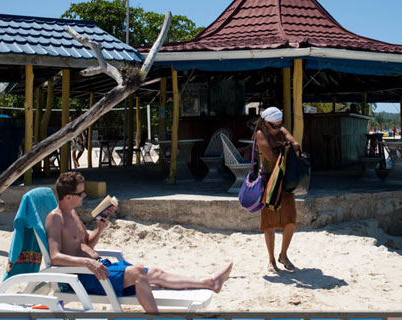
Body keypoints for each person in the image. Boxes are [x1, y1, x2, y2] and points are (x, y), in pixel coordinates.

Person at [45, 172, 233, 313]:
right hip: (85, 276)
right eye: (81, 193)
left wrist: (99, 230)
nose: (84, 196)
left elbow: (86, 246)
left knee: (154, 273)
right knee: (138, 273)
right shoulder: (55, 218)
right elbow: (55, 257)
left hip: (99, 267)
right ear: (68, 197)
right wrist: (87, 262)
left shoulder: (73, 214)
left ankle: (210, 282)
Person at [253, 107, 300, 273]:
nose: (278, 128)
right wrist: (286, 149)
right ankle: (271, 259)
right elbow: (271, 157)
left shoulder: (280, 129)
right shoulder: (260, 134)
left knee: (291, 220)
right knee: (269, 223)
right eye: (274, 126)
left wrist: (290, 146)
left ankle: (283, 255)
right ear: (266, 123)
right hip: (269, 181)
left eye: (280, 125)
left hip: (284, 180)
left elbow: (296, 144)